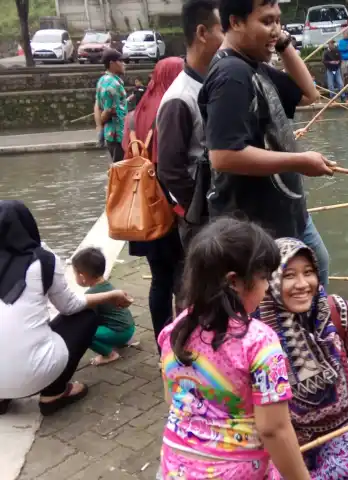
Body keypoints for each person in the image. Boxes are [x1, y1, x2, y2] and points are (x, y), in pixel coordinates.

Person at [159, 218, 311, 479]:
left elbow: (171, 399)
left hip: (174, 466)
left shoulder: (174, 331)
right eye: (264, 278)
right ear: (234, 282)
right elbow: (273, 430)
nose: (267, 288)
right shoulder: (261, 343)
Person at [199, 0, 333, 288]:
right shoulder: (231, 75)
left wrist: (282, 42)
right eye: (266, 21)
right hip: (257, 228)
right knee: (277, 307)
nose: (276, 29)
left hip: (288, 216)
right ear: (235, 22)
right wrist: (300, 161)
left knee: (314, 280)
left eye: (278, 21)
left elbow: (310, 94)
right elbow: (223, 155)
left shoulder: (253, 66)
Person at [257, 238, 348, 478]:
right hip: (289, 439)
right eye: (289, 276)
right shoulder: (257, 335)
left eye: (309, 273)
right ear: (270, 282)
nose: (302, 284)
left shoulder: (343, 313)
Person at [0, 200, 132, 416]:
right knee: (86, 315)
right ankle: (53, 393)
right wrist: (111, 295)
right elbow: (70, 306)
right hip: (34, 373)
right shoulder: (43, 259)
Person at [121, 57, 186, 353]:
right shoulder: (172, 108)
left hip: (141, 210)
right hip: (170, 207)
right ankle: (185, 341)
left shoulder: (133, 117)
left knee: (159, 278)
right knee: (182, 278)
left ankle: (163, 345)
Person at [157, 0, 225, 250]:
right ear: (202, 33)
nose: (228, 38)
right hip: (205, 223)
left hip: (225, 214)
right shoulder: (180, 98)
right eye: (223, 30)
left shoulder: (216, 82)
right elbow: (169, 170)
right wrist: (199, 211)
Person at [72, 247, 136, 366]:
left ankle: (109, 354)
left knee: (84, 333)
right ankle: (120, 341)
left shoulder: (91, 294)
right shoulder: (108, 286)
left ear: (82, 277)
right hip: (129, 328)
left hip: (120, 333)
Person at [94, 49, 127, 162]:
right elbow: (109, 111)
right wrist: (101, 122)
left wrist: (100, 127)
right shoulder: (113, 85)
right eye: (121, 61)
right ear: (112, 63)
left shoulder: (102, 80)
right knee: (121, 171)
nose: (124, 64)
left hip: (110, 134)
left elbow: (97, 105)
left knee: (116, 169)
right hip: (118, 135)